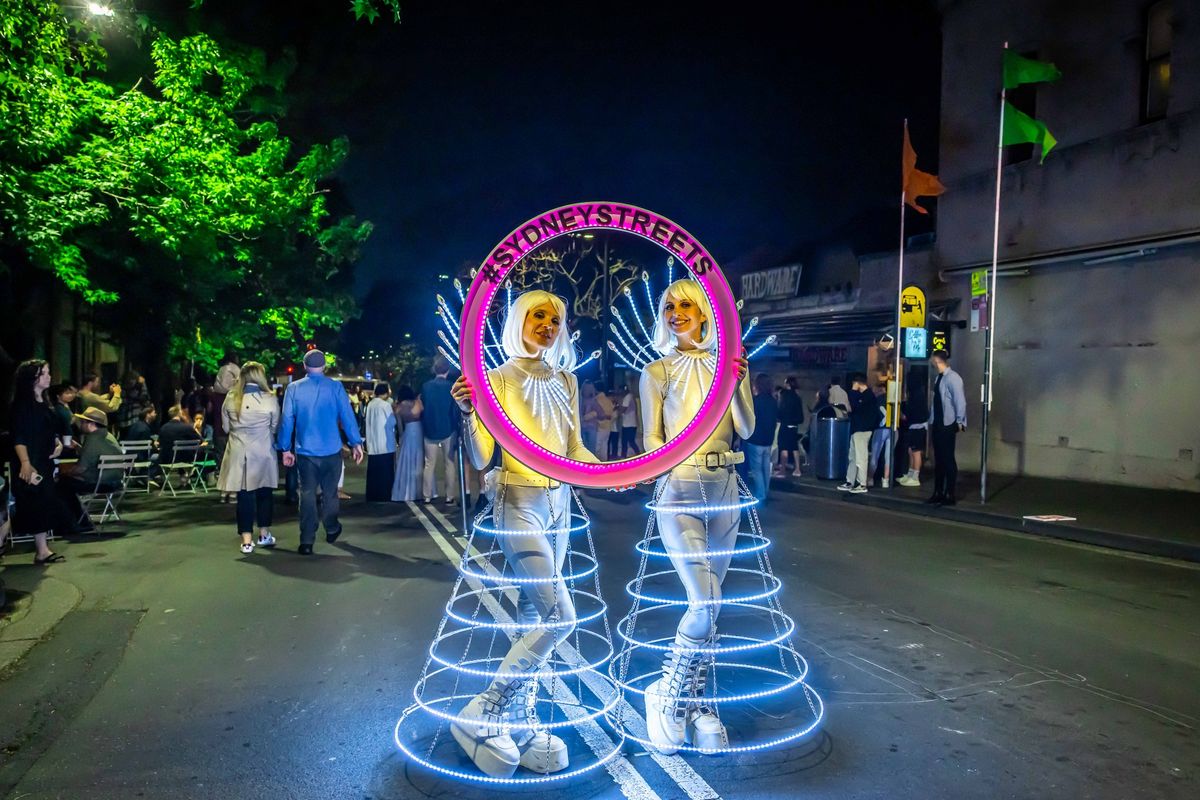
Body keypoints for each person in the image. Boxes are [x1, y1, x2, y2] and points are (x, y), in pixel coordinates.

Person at [450, 289, 599, 777]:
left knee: (534, 616)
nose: (547, 324)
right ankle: (485, 710)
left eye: (556, 318)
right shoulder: (496, 378)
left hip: (557, 504)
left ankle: (520, 714)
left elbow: (576, 448)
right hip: (517, 501)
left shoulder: (567, 381)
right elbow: (479, 457)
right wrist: (471, 410)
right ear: (519, 319)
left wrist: (621, 472)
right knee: (561, 618)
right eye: (538, 315)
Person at [639, 278, 753, 754]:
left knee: (714, 604)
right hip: (680, 488)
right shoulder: (657, 371)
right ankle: (667, 694)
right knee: (704, 602)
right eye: (669, 306)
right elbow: (651, 438)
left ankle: (696, 701)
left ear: (707, 313)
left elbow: (747, 427)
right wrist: (657, 473)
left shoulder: (731, 365)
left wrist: (737, 381)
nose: (676, 312)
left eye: (686, 304)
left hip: (726, 486)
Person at [277, 349, 364, 555]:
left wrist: (284, 448)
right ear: (324, 366)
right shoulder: (335, 387)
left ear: (305, 366)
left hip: (306, 451)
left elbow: (287, 420)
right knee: (330, 493)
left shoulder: (294, 388)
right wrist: (355, 443)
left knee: (307, 494)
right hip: (331, 449)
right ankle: (332, 527)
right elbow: (347, 415)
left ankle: (306, 540)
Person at [8, 360, 74, 562]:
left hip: (43, 460)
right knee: (29, 504)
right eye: (43, 373)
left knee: (41, 504)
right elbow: (18, 436)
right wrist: (26, 463)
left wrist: (58, 444)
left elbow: (49, 429)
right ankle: (38, 549)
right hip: (30, 461)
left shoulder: (44, 403)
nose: (49, 376)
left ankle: (42, 550)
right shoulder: (22, 405)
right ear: (32, 379)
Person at [218, 362, 279, 554]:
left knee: (244, 496)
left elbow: (226, 428)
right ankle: (264, 533)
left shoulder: (231, 397)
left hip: (239, 453)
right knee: (264, 494)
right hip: (262, 452)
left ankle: (246, 540)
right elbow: (274, 426)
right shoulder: (269, 399)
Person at [57, 407, 124, 525]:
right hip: (116, 480)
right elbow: (94, 454)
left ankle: (78, 522)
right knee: (66, 483)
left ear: (90, 424)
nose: (80, 425)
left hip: (101, 482)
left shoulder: (92, 439)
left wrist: (64, 472)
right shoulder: (108, 436)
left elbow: (81, 468)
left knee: (62, 485)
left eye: (82, 422)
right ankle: (79, 521)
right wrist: (79, 448)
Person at [927, 350, 966, 506]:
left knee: (948, 458)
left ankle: (950, 493)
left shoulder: (953, 378)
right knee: (939, 459)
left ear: (937, 360)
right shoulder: (939, 378)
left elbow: (960, 401)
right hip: (938, 422)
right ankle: (938, 492)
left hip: (947, 423)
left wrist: (960, 421)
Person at [419, 356, 459, 505]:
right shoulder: (451, 387)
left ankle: (427, 496)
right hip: (448, 428)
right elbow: (455, 409)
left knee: (429, 463)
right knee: (449, 463)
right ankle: (449, 496)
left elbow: (423, 405)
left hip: (430, 428)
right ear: (447, 370)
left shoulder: (426, 386)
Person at [838, 373, 879, 494]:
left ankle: (862, 483)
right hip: (857, 429)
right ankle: (850, 481)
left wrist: (853, 391)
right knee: (853, 457)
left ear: (857, 383)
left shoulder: (867, 396)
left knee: (861, 458)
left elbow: (854, 405)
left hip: (862, 429)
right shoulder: (866, 396)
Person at [743, 372, 778, 502]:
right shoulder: (773, 401)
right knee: (765, 468)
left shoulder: (755, 402)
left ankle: (760, 494)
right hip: (768, 440)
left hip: (755, 440)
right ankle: (765, 491)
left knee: (756, 469)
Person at [364, 383, 397, 502]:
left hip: (373, 443)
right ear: (386, 392)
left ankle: (372, 495)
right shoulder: (385, 405)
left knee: (373, 472)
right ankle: (385, 494)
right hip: (385, 443)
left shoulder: (370, 404)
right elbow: (392, 422)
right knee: (385, 472)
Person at [391, 385, 424, 502]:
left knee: (407, 459)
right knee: (419, 459)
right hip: (419, 430)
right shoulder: (417, 403)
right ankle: (420, 491)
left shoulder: (398, 407)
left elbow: (399, 425)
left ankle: (406, 490)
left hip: (408, 431)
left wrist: (401, 437)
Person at [897, 380, 929, 487]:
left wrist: (904, 413)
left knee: (915, 452)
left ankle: (915, 477)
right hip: (918, 427)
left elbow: (908, 414)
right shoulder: (920, 397)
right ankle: (911, 474)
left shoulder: (915, 399)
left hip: (916, 427)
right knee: (912, 451)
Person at [775, 376, 805, 476]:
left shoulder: (783, 395)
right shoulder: (797, 397)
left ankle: (782, 470)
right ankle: (797, 469)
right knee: (794, 447)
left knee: (784, 448)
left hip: (785, 424)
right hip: (794, 426)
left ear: (787, 384)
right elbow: (801, 416)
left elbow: (779, 411)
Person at [157, 404, 203, 470]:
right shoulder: (186, 427)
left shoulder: (163, 428)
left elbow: (159, 443)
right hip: (186, 459)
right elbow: (200, 441)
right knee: (206, 453)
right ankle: (199, 475)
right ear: (179, 414)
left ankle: (183, 474)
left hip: (166, 459)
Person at [867, 381, 893, 489]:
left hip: (880, 429)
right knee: (889, 456)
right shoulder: (892, 400)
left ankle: (870, 478)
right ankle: (886, 480)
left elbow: (875, 415)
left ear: (879, 389)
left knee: (875, 455)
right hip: (891, 429)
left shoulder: (877, 400)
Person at [594, 383, 618, 460]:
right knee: (605, 446)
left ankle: (597, 464)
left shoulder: (596, 400)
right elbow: (612, 414)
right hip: (608, 427)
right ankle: (604, 463)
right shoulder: (608, 400)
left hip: (599, 427)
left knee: (597, 447)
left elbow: (595, 414)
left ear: (595, 389)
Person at [51, 383, 78, 447]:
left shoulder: (62, 407)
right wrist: (67, 443)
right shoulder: (60, 409)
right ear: (58, 396)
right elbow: (67, 428)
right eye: (67, 393)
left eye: (71, 393)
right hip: (63, 440)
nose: (70, 395)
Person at [579, 379, 601, 455]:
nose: (587, 390)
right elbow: (600, 413)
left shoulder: (591, 401)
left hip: (588, 427)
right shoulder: (580, 400)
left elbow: (600, 412)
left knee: (588, 448)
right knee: (587, 448)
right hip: (584, 427)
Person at [619, 383, 640, 457]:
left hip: (627, 424)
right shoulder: (631, 396)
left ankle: (624, 456)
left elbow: (623, 410)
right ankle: (638, 454)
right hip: (632, 423)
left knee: (625, 442)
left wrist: (618, 406)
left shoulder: (627, 397)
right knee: (631, 441)